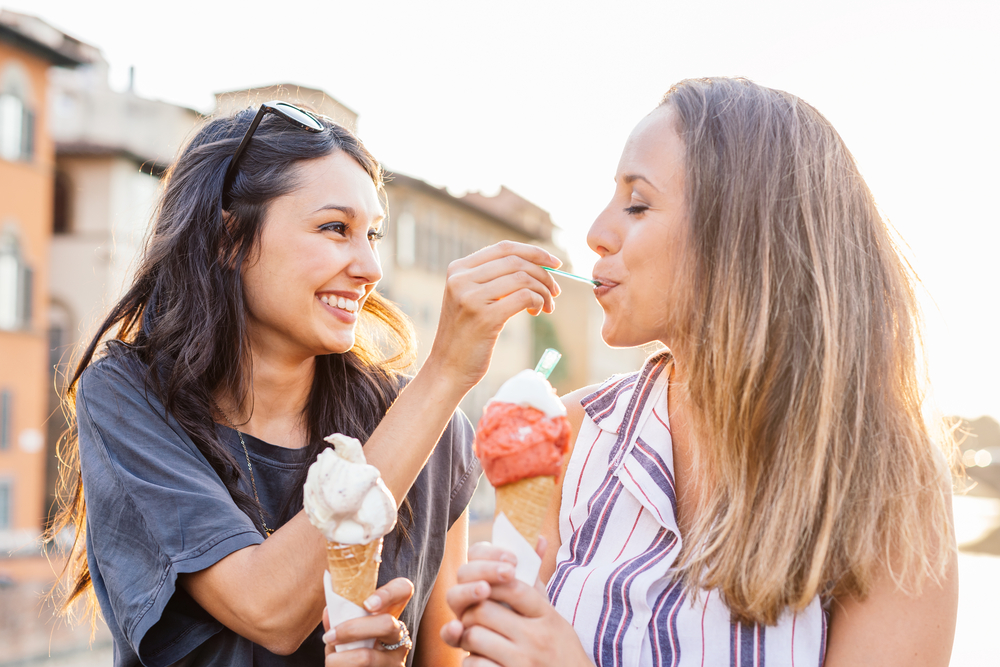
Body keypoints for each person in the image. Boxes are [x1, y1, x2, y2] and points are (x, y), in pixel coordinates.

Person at [442, 77, 959, 666]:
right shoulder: (571, 435)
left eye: (637, 204)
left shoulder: (888, 481)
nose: (596, 232)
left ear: (739, 233)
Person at [47, 101, 564, 667]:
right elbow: (268, 610)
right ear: (229, 239)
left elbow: (443, 660)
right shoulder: (129, 398)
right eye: (334, 228)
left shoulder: (431, 429)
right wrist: (445, 374)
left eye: (372, 235)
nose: (370, 267)